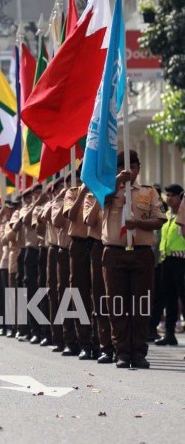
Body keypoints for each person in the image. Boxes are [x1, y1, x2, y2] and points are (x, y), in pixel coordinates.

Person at [101, 150, 165, 368]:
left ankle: (138, 352)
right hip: (115, 252)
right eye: (121, 168)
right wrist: (116, 184)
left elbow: (159, 220)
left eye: (132, 167)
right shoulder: (107, 189)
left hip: (141, 253)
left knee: (142, 304)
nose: (128, 171)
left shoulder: (149, 193)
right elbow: (99, 204)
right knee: (117, 304)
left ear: (138, 168)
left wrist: (137, 224)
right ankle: (121, 352)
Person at [155, 184, 185, 346]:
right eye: (167, 195)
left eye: (172, 195)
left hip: (181, 260)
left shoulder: (183, 214)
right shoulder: (166, 215)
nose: (169, 198)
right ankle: (169, 333)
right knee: (169, 299)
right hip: (166, 261)